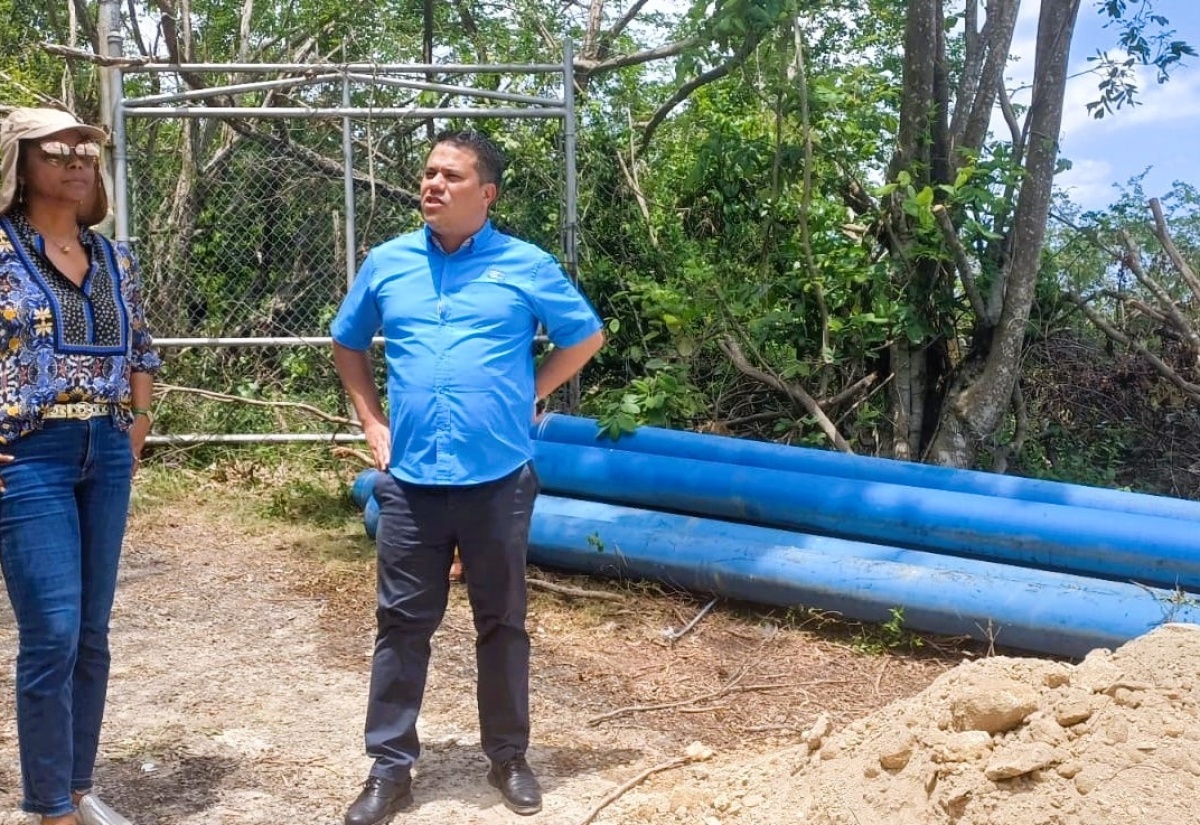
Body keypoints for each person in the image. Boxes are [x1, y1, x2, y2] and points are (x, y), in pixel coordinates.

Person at [331, 130, 604, 823]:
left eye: (450, 176)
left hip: (498, 477)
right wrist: (371, 421)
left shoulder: (526, 264)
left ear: (486, 194)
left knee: (503, 621)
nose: (432, 184)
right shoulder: (389, 263)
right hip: (413, 479)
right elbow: (347, 340)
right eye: (427, 173)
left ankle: (509, 756)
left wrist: (530, 391)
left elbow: (586, 335)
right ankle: (390, 767)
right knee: (401, 623)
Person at [0, 107, 162, 825]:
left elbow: (143, 350)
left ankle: (76, 786)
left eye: (86, 150)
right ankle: (46, 804)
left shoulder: (116, 258)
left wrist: (140, 421)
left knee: (93, 630)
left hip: (108, 449)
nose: (76, 158)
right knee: (54, 631)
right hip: (29, 455)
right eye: (57, 148)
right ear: (20, 162)